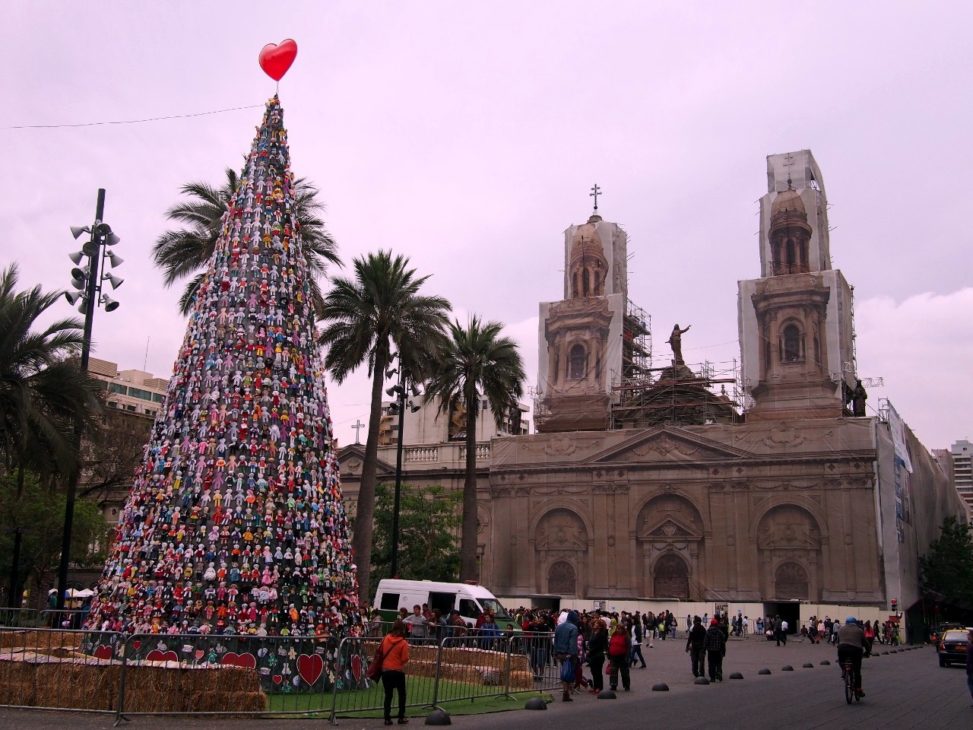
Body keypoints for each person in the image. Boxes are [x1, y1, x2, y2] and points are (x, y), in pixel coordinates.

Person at [379, 619, 410, 725]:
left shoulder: (385, 638)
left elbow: (381, 651)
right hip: (397, 670)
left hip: (385, 670)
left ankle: (387, 718)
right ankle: (401, 716)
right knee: (402, 694)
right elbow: (404, 658)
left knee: (388, 695)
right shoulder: (403, 642)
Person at [553, 610, 580, 701]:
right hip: (569, 654)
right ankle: (567, 691)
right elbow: (572, 643)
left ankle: (566, 691)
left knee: (565, 672)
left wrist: (555, 652)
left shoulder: (559, 627)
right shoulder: (573, 628)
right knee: (570, 672)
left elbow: (556, 641)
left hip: (560, 653)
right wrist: (572, 653)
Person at [837, 616, 865, 699]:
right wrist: (868, 651)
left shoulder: (841, 629)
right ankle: (858, 689)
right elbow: (865, 642)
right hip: (855, 651)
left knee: (841, 661)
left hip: (842, 649)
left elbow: (839, 641)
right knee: (857, 671)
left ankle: (843, 670)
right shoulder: (859, 630)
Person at [607, 622, 632, 691]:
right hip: (613, 656)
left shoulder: (626, 636)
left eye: (620, 628)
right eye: (618, 628)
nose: (619, 630)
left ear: (623, 629)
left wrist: (627, 656)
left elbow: (629, 647)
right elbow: (610, 645)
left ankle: (626, 685)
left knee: (624, 672)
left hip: (622, 657)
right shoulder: (614, 635)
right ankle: (613, 685)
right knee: (613, 672)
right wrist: (609, 654)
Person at [587, 618, 608, 694]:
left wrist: (590, 651)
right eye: (595, 623)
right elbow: (590, 643)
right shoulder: (593, 633)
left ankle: (599, 687)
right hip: (592, 655)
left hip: (598, 655)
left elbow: (599, 646)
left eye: (596, 624)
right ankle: (595, 686)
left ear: (600, 626)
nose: (594, 625)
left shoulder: (601, 635)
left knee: (598, 672)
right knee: (593, 671)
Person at [704, 618, 726, 682]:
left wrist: (704, 650)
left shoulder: (708, 632)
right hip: (718, 651)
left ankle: (712, 678)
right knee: (718, 663)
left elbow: (705, 642)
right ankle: (719, 673)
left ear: (711, 624)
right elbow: (723, 642)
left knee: (711, 664)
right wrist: (723, 651)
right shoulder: (720, 632)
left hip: (711, 651)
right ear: (716, 624)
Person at [966, 628, 973, 706]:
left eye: (969, 635)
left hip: (971, 669)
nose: (967, 636)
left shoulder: (971, 646)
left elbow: (969, 659)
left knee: (970, 683)